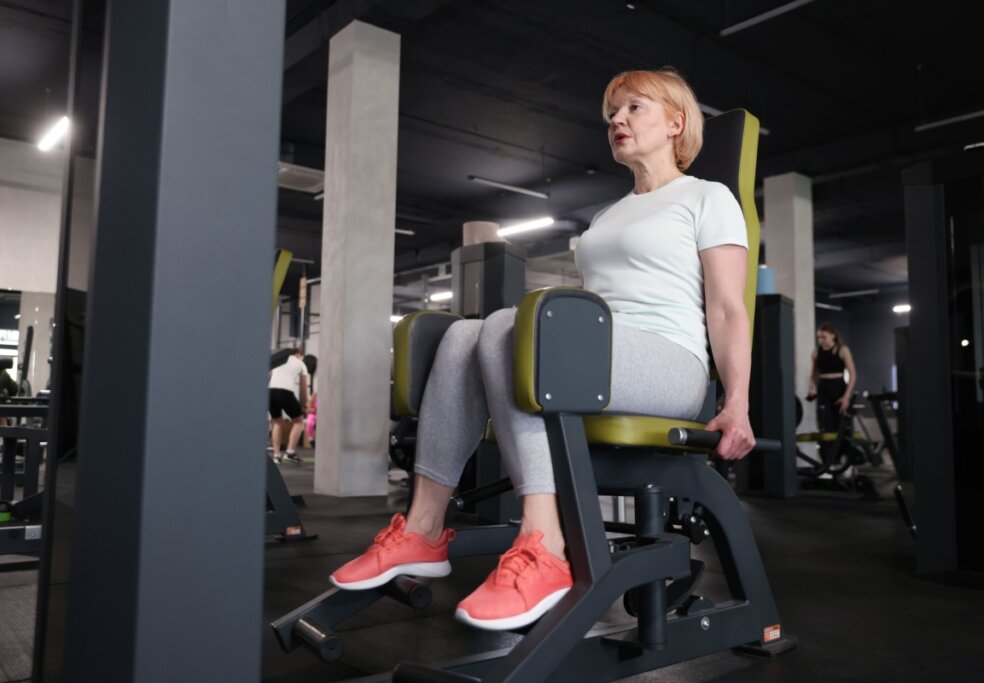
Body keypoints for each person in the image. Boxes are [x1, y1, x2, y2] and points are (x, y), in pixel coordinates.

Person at [329, 67, 756, 631]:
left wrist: (737, 402)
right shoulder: (608, 215)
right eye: (611, 113)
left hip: (670, 362)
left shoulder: (707, 197)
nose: (617, 121)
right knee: (463, 333)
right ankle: (423, 528)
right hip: (606, 353)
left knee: (508, 326)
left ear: (677, 122)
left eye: (634, 108)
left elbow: (727, 308)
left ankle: (544, 544)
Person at [806, 323, 857, 432]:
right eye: (819, 337)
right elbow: (813, 374)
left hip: (838, 387)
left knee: (841, 423)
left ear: (832, 335)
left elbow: (853, 375)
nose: (821, 340)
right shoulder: (816, 352)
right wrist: (811, 387)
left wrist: (846, 396)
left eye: (824, 337)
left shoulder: (843, 350)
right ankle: (826, 448)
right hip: (823, 387)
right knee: (825, 423)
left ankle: (843, 448)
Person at [268, 347, 309, 463]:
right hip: (285, 392)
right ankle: (290, 452)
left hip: (270, 392)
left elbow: (268, 377)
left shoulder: (278, 362)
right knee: (299, 421)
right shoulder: (300, 363)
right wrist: (305, 404)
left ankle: (276, 456)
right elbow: (303, 387)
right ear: (299, 355)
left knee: (277, 422)